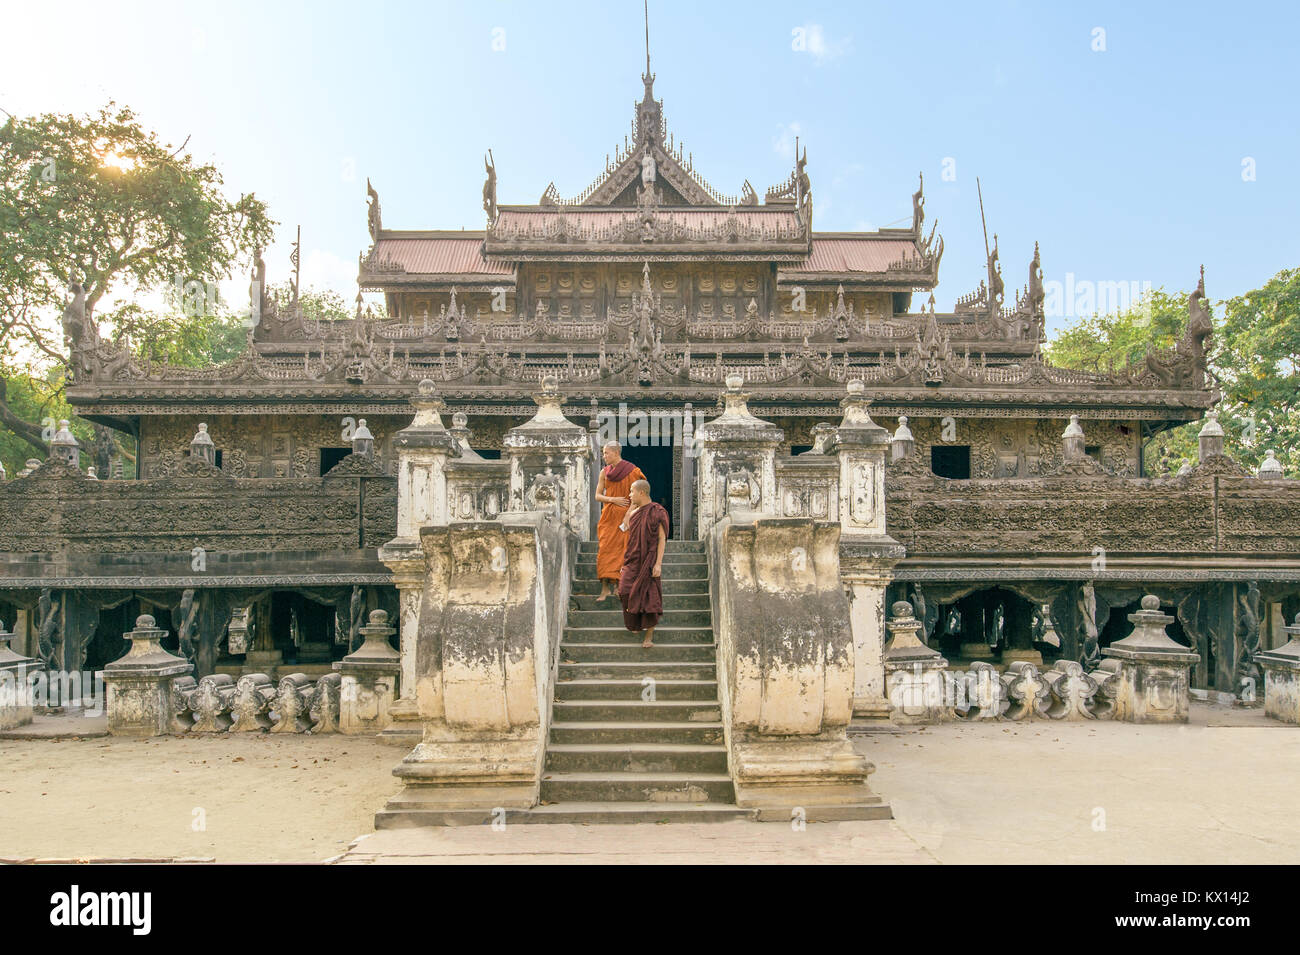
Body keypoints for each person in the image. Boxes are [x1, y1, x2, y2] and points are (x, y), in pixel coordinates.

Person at [618, 479, 668, 648]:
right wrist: (624, 562)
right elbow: (630, 539)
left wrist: (658, 564)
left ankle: (649, 636)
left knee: (650, 599)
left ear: (642, 492)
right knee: (624, 591)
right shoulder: (633, 514)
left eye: (632, 491)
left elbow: (661, 538)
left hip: (649, 561)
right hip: (632, 560)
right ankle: (635, 624)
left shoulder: (657, 511)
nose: (629, 495)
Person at [594, 442, 644, 603]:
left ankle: (618, 586)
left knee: (624, 551)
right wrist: (612, 499)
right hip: (608, 517)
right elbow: (597, 495)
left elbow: (639, 497)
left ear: (616, 453)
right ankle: (604, 588)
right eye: (603, 453)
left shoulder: (633, 471)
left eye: (606, 453)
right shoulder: (604, 472)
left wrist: (629, 515)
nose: (604, 456)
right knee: (605, 550)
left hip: (626, 517)